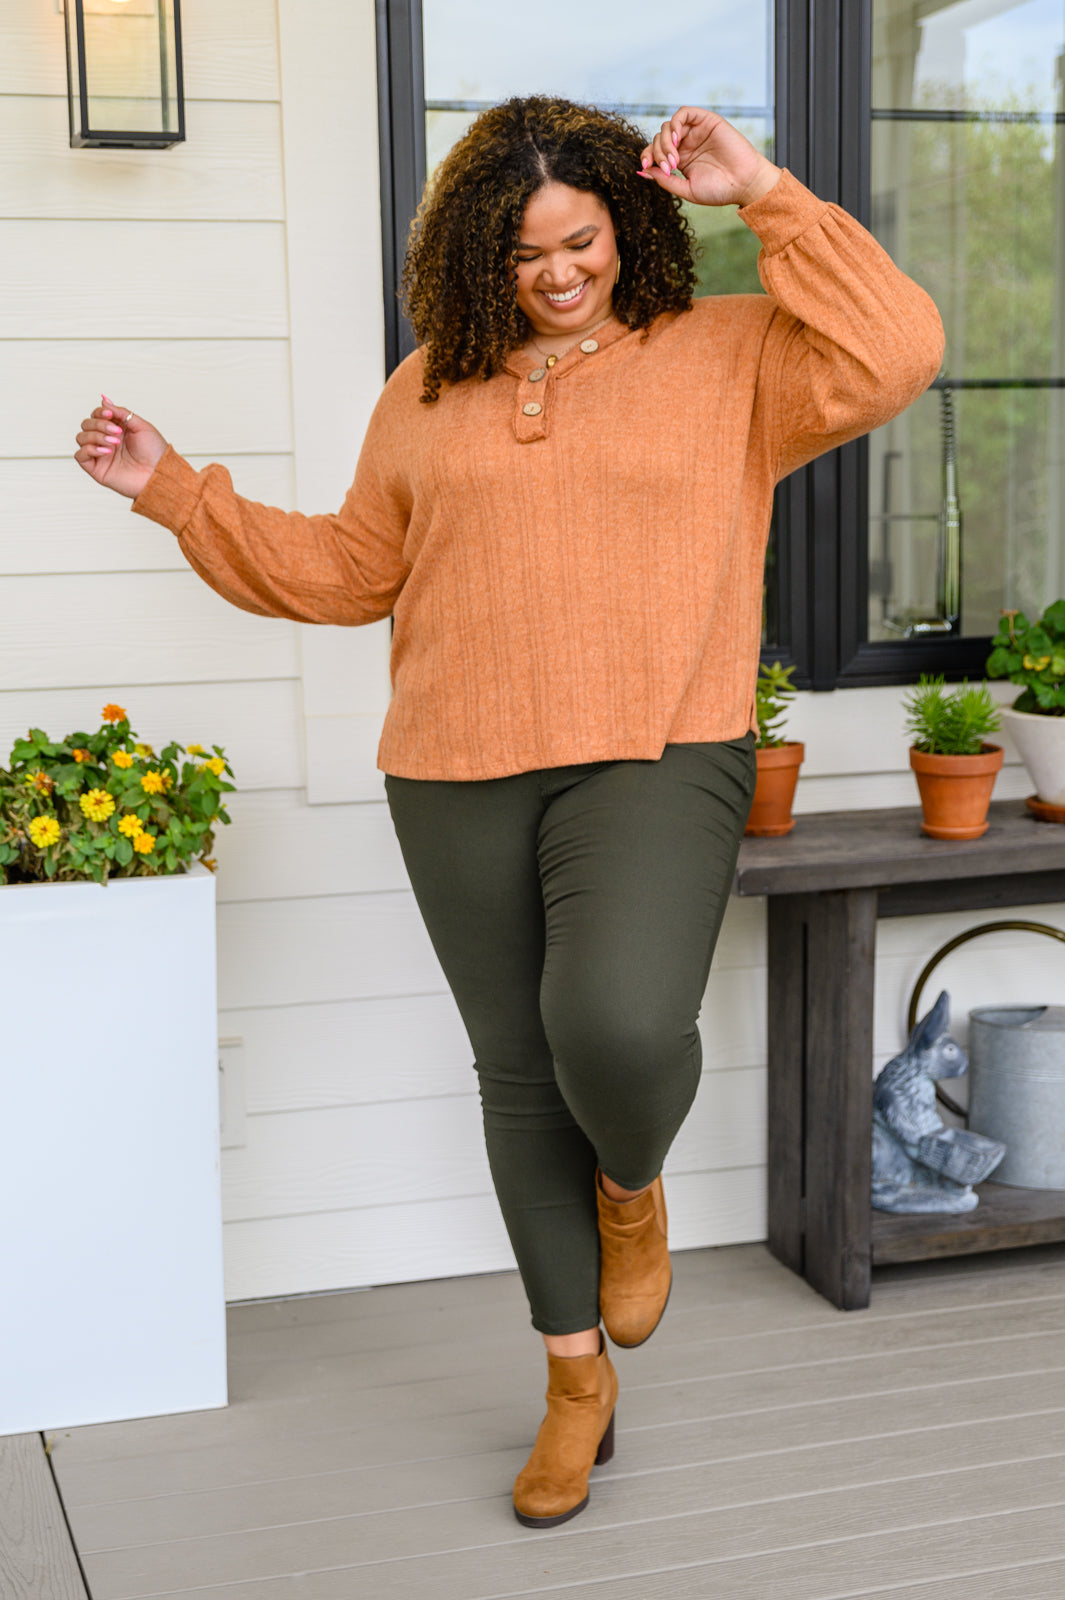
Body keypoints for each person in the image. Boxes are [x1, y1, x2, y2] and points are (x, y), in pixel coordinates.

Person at [74, 97, 944, 1528]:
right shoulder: (425, 389)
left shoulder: (729, 355)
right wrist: (170, 491)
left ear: (627, 225)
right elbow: (353, 571)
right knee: (517, 1074)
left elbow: (896, 347)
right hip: (452, 765)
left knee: (611, 1025)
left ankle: (630, 1185)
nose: (559, 273)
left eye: (583, 240)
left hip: (658, 748)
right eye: (527, 251)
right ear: (478, 258)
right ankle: (571, 1381)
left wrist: (763, 190)